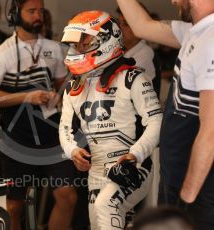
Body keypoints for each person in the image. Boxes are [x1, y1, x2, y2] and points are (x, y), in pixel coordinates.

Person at [59, 10, 162, 230]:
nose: (77, 50)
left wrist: (136, 154)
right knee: (98, 222)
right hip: (95, 171)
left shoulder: (133, 77)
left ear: (106, 40)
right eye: (75, 45)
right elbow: (65, 128)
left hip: (134, 166)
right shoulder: (72, 88)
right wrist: (72, 151)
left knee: (107, 205)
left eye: (83, 44)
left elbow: (156, 121)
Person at [116, 0, 214, 229]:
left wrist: (186, 201)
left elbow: (210, 133)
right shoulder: (195, 31)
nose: (173, 1)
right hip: (178, 179)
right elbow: (141, 26)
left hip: (199, 191)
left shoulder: (211, 40)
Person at [0, 0, 77, 229]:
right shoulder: (1, 53)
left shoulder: (53, 48)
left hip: (53, 137)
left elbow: (63, 85)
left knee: (67, 196)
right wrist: (27, 97)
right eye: (32, 11)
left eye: (41, 11)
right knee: (13, 206)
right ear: (15, 14)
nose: (38, 16)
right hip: (16, 139)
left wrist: (60, 95)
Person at [116, 7, 161, 97]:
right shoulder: (119, 50)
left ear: (140, 27)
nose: (119, 28)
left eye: (125, 24)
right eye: (118, 23)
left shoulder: (146, 53)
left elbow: (127, 88)